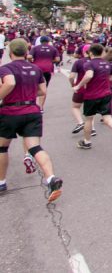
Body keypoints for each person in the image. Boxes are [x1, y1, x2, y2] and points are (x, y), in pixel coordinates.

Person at [0, 39, 63, 202]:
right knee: (35, 147)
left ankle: (1, 182)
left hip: (10, 112)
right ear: (26, 52)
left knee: (2, 148)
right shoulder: (35, 69)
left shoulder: (6, 69)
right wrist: (26, 95)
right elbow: (43, 91)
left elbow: (10, 82)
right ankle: (51, 178)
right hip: (32, 111)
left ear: (10, 52)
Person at [72, 43, 112, 149]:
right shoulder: (107, 64)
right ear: (102, 52)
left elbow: (89, 75)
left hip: (92, 95)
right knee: (107, 117)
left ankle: (87, 142)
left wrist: (78, 86)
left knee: (89, 119)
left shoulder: (89, 64)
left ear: (90, 53)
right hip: (106, 94)